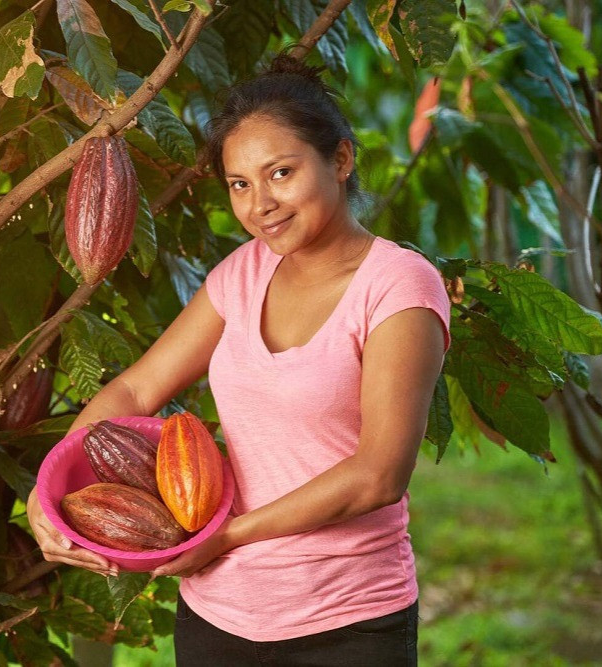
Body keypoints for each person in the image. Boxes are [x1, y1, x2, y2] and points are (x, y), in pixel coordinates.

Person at [26, 53, 450, 666]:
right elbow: (136, 391)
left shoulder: (398, 285)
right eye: (240, 185)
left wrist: (227, 537)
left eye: (280, 172)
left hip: (346, 621)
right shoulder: (242, 275)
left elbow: (380, 474)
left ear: (340, 159)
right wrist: (50, 487)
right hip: (217, 615)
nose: (261, 204)